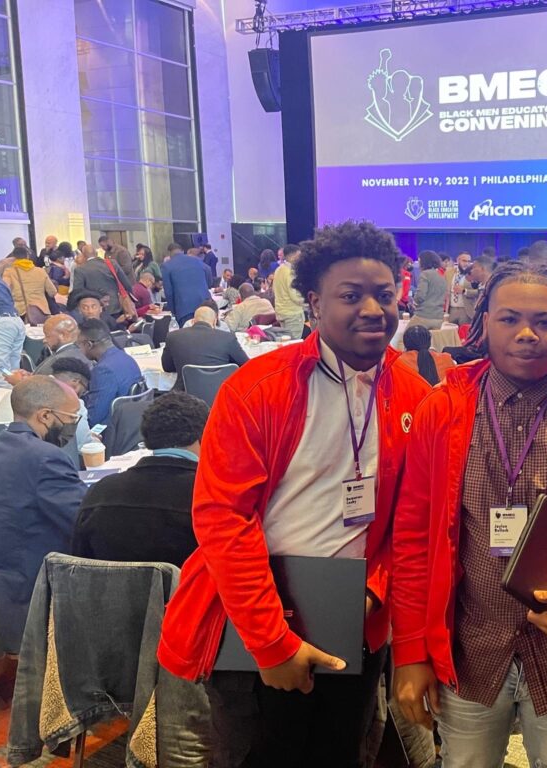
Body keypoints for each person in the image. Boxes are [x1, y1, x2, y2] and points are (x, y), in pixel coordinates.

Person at [156, 220, 432, 767]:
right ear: (313, 303)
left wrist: (377, 590)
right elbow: (222, 519)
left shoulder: (414, 394)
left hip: (355, 617)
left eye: (384, 294)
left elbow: (412, 519)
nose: (373, 309)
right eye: (350, 296)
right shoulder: (259, 389)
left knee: (345, 753)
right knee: (260, 756)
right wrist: (272, 641)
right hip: (257, 620)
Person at [392, 261, 547, 767]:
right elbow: (414, 539)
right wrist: (411, 652)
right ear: (484, 323)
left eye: (545, 321)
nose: (527, 334)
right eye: (509, 319)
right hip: (469, 649)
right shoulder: (444, 410)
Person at [0, 376, 86, 653]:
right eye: (71, 417)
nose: (73, 425)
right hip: (30, 596)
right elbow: (82, 522)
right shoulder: (47, 457)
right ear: (45, 415)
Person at [72, 393, 210, 567]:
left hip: (107, 593)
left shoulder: (99, 493)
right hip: (187, 593)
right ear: (205, 436)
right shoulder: (210, 498)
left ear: (146, 438)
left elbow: (77, 566)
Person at [162, 306, 249, 392]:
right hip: (221, 395)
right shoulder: (227, 338)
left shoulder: (173, 337)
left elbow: (167, 367)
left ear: (193, 321)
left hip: (185, 396)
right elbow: (246, 365)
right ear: (215, 322)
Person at [77, 318, 143, 426]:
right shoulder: (126, 357)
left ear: (88, 345)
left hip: (110, 431)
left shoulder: (103, 370)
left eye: (78, 344)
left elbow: (94, 418)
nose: (79, 349)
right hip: (131, 424)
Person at [71, 243, 134, 318]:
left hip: (94, 308)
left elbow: (77, 291)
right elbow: (126, 283)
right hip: (114, 305)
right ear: (96, 253)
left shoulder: (80, 270)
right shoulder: (112, 263)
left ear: (83, 255)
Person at [162, 245, 212, 325]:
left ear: (169, 253)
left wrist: (173, 311)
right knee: (207, 333)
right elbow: (208, 269)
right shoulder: (196, 260)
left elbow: (168, 292)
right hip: (205, 304)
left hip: (184, 308)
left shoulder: (167, 266)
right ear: (182, 251)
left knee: (188, 335)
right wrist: (208, 285)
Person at [2, 246, 57, 320]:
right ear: (28, 256)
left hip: (20, 312)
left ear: (13, 257)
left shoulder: (9, 272)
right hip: (41, 311)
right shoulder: (40, 271)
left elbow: (4, 290)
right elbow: (52, 292)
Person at [272, 244, 306, 338]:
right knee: (293, 345)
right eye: (299, 256)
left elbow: (274, 290)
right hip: (293, 313)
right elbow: (295, 296)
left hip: (281, 312)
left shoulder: (278, 270)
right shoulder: (290, 272)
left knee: (287, 344)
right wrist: (309, 303)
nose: (300, 258)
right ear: (292, 256)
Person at [0, 273, 25, 376]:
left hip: (1, 325)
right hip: (15, 320)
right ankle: (12, 390)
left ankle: (3, 391)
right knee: (13, 369)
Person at [409, 250, 446, 330]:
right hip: (438, 318)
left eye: (419, 261)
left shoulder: (425, 274)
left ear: (424, 262)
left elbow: (420, 296)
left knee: (404, 338)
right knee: (429, 341)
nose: (418, 265)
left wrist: (414, 302)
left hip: (424, 315)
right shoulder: (442, 276)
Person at [445, 251, 473, 324]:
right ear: (458, 260)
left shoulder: (473, 274)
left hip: (466, 310)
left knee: (464, 334)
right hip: (451, 310)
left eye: (469, 261)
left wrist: (464, 291)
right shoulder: (449, 272)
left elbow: (479, 291)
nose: (467, 263)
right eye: (464, 261)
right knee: (450, 334)